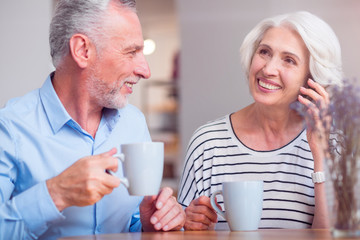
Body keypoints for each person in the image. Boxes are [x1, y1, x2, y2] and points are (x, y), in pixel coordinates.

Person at [0, 0, 185, 239]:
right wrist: (56, 193)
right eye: (131, 51)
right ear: (82, 51)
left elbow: (131, 223)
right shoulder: (10, 127)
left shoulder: (134, 123)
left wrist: (149, 226)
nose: (145, 70)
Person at [178, 11, 343, 230]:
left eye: (289, 60)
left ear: (312, 79)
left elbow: (334, 235)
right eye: (264, 52)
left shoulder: (336, 146)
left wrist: (321, 156)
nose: (268, 69)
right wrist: (186, 224)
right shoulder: (207, 142)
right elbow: (181, 228)